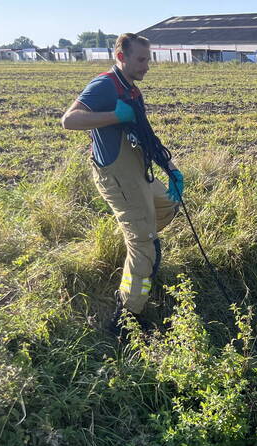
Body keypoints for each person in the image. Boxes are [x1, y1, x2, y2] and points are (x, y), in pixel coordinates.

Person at [61, 33, 182, 333]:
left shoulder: (132, 92)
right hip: (117, 176)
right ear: (121, 57)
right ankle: (127, 317)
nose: (147, 66)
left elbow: (143, 134)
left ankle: (139, 240)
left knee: (167, 203)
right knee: (145, 246)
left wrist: (170, 167)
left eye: (148, 60)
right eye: (141, 60)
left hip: (138, 171)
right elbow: (69, 120)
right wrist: (114, 116)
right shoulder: (105, 86)